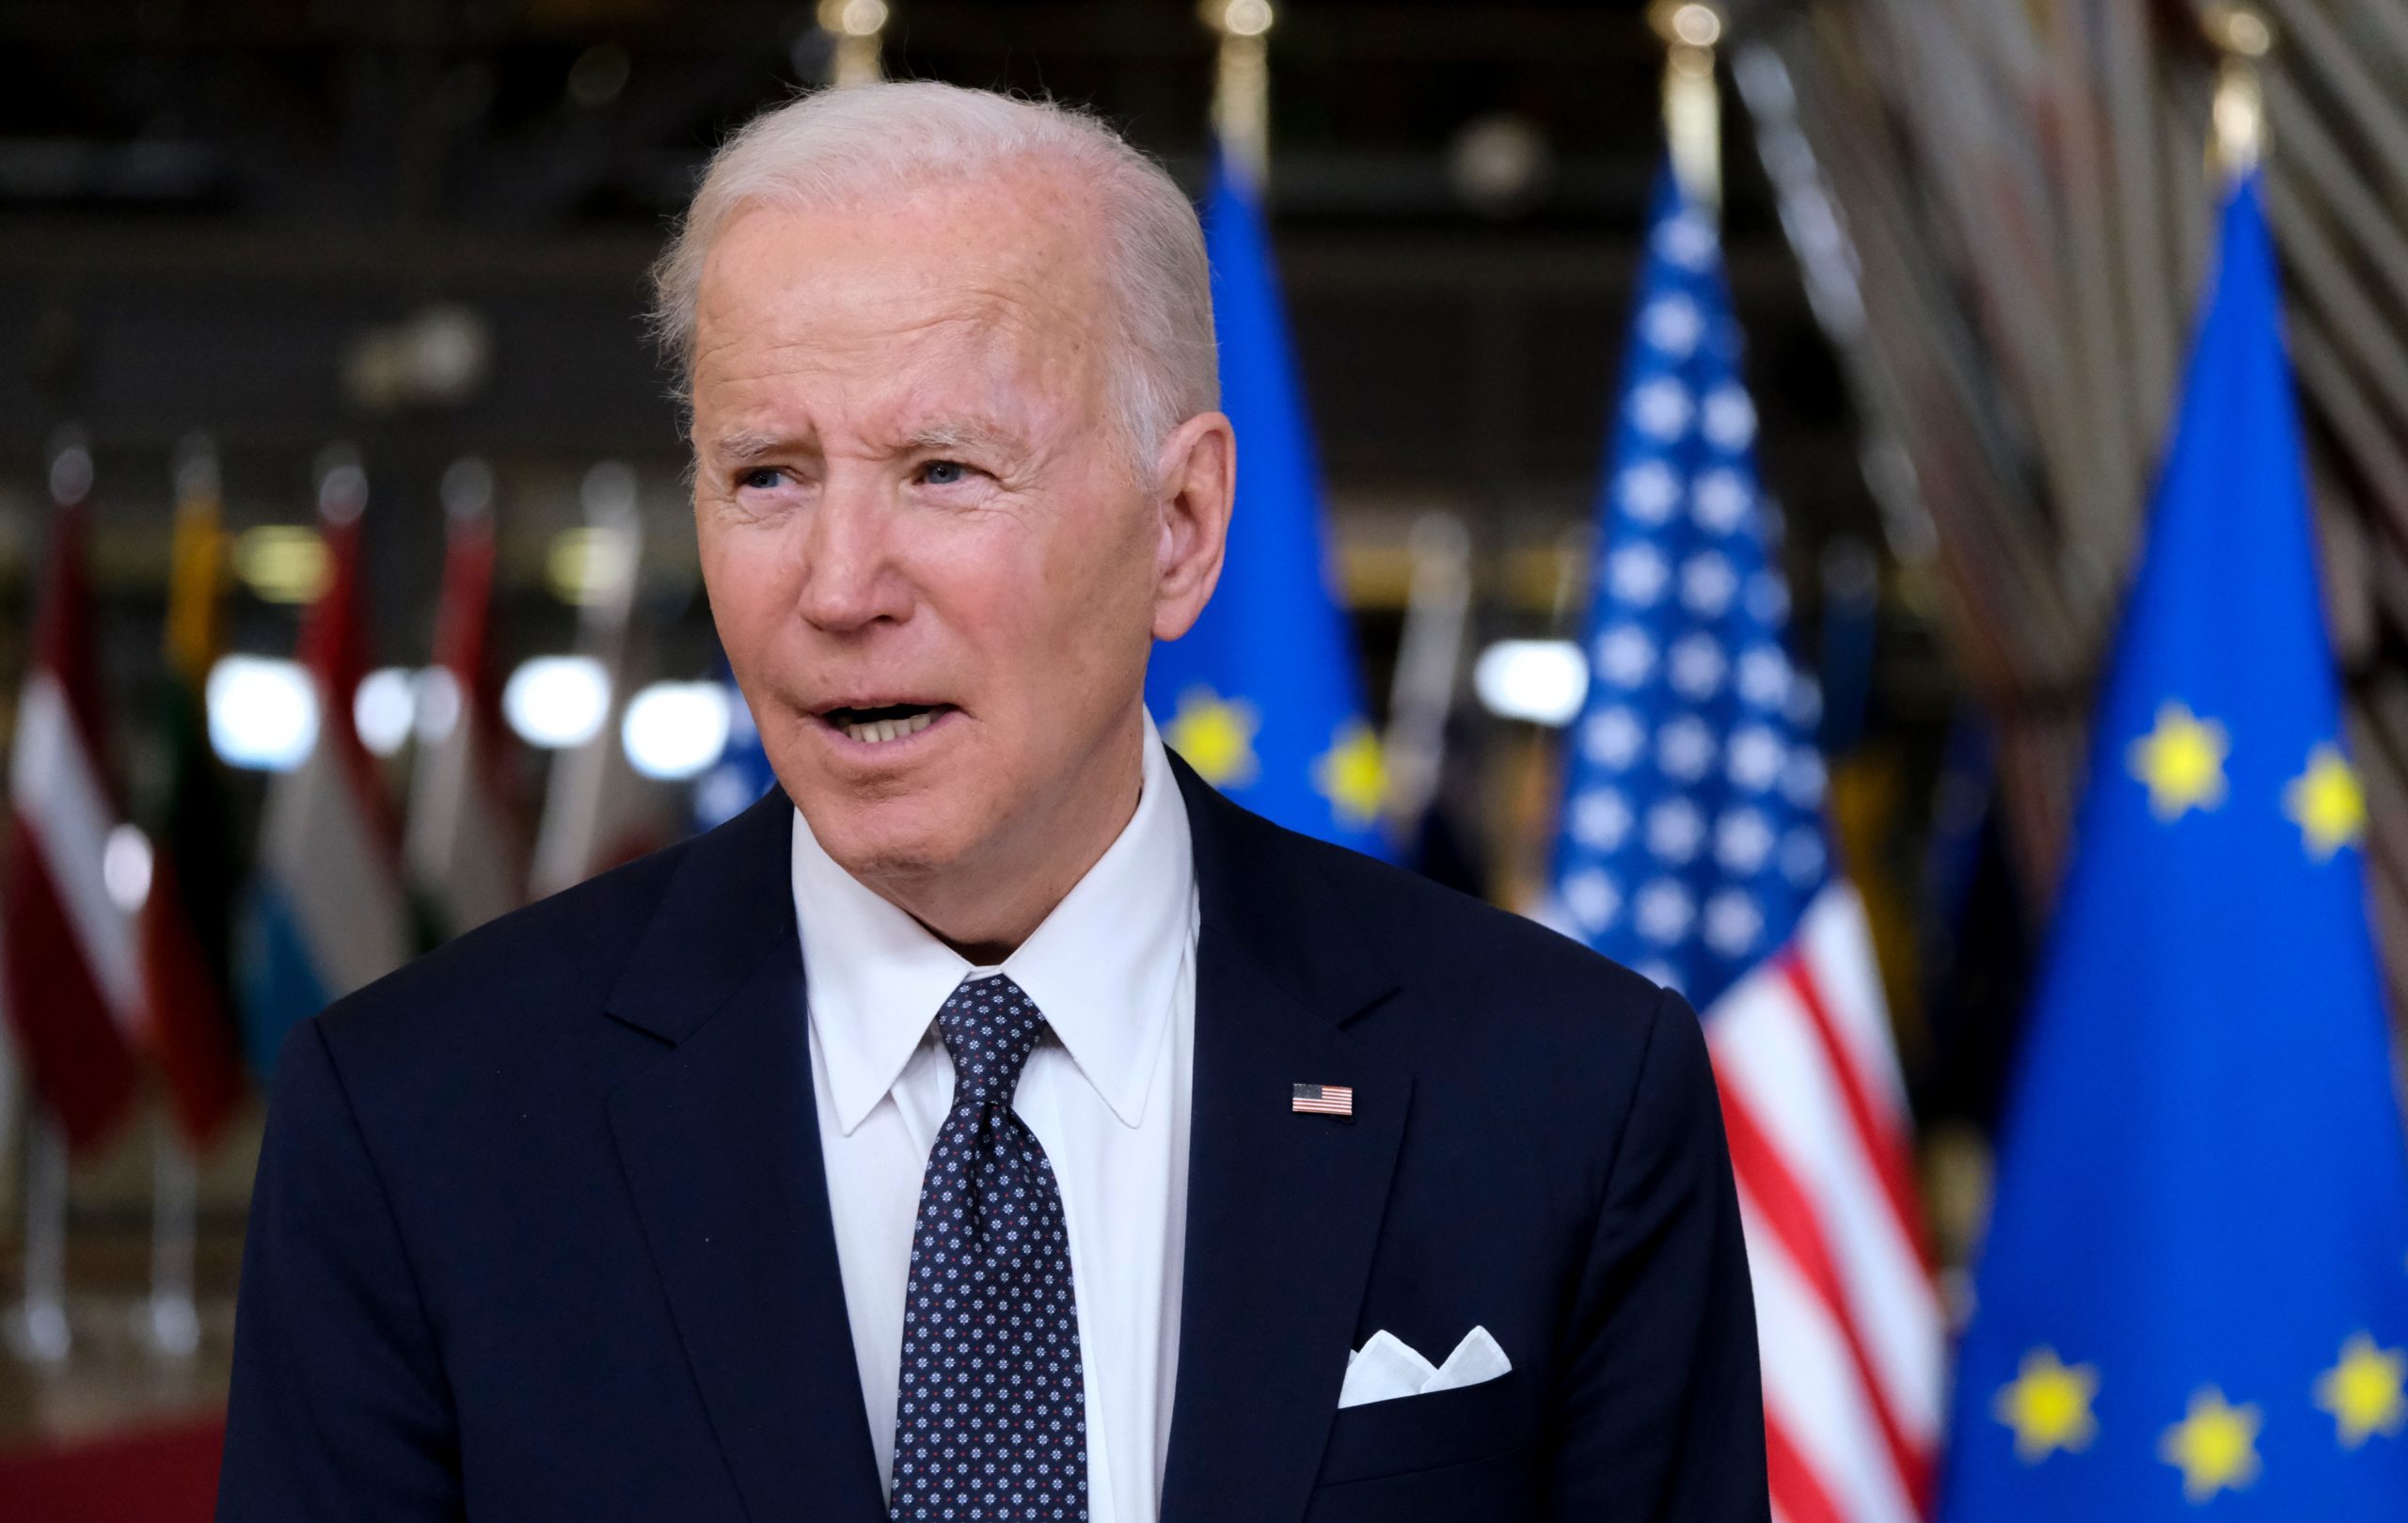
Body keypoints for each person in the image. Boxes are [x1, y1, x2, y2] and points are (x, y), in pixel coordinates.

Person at [217, 82, 1766, 1523]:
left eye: (944, 469)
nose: (837, 586)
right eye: (766, 475)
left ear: (1181, 526)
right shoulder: (420, 1127)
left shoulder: (1568, 1097)